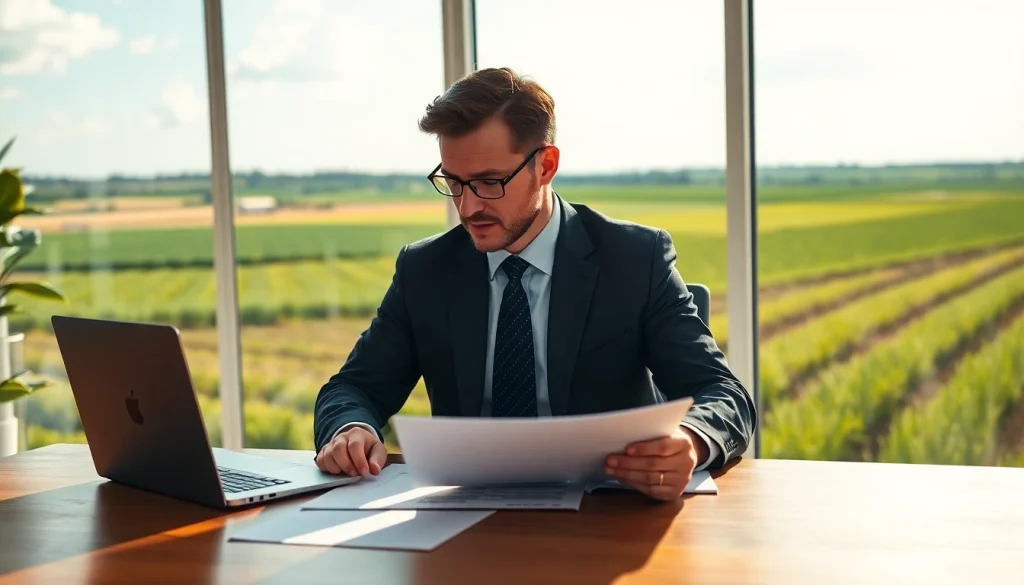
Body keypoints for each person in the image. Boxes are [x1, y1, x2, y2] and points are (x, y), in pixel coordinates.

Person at [313, 67, 756, 501]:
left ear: (546, 165)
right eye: (453, 182)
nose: (467, 207)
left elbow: (724, 394)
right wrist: (351, 429)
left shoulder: (635, 259)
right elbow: (353, 388)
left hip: (609, 516)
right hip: (463, 516)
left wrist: (690, 440)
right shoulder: (425, 269)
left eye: (489, 182)